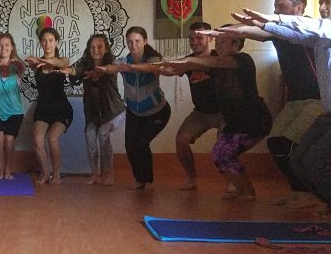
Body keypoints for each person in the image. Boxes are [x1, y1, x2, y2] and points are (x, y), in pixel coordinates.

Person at [232, 0, 331, 220]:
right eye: (321, 2)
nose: (321, 7)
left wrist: (273, 17)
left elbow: (311, 25)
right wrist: (260, 25)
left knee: (315, 159)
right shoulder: (320, 39)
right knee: (298, 158)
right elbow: (292, 34)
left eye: (328, 2)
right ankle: (329, 202)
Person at [209, 0, 322, 208]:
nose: (276, 11)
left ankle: (309, 194)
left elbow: (261, 30)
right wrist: (222, 32)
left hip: (317, 99)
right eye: (275, 6)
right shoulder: (278, 31)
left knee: (288, 144)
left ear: (299, 8)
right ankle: (298, 191)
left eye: (282, 7)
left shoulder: (310, 28)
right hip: (294, 100)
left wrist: (240, 30)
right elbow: (253, 31)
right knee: (276, 143)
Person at [164, 27, 272, 201]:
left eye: (223, 42)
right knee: (219, 153)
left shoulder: (242, 59)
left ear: (236, 44)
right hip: (234, 120)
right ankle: (239, 188)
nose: (219, 46)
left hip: (253, 120)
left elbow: (213, 62)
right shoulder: (218, 63)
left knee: (226, 153)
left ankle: (249, 191)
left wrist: (189, 61)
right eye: (218, 41)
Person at [98, 26, 170, 190]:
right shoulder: (124, 61)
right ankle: (139, 180)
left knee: (142, 143)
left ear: (145, 41)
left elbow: (155, 68)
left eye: (137, 41)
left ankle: (149, 181)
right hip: (134, 111)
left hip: (157, 112)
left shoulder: (153, 59)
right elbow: (113, 68)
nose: (133, 45)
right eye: (130, 42)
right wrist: (102, 70)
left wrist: (133, 68)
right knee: (130, 145)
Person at [64, 34, 126, 186]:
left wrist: (98, 72)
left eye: (99, 46)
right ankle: (95, 174)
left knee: (103, 133)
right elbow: (75, 70)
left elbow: (106, 71)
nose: (95, 50)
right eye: (92, 47)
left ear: (105, 49)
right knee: (90, 135)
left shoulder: (111, 64)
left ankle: (108, 174)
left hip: (114, 111)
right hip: (94, 113)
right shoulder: (85, 64)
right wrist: (66, 70)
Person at [169, 22, 224, 191]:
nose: (194, 42)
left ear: (210, 38)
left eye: (199, 37)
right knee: (181, 140)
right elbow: (170, 69)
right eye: (191, 38)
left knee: (223, 147)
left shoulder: (220, 58)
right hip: (200, 113)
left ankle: (232, 181)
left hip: (224, 113)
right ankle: (192, 179)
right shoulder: (188, 60)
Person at [25, 27, 71, 185]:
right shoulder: (36, 64)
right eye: (44, 40)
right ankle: (45, 173)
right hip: (43, 109)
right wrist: (34, 61)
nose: (47, 43)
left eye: (51, 40)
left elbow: (62, 62)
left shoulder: (62, 61)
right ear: (40, 43)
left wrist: (43, 61)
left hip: (61, 109)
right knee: (38, 140)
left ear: (57, 42)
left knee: (52, 139)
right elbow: (28, 60)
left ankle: (56, 173)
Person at [0, 32, 26, 180]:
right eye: (0, 45)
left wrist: (16, 63)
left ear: (12, 47)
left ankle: (8, 170)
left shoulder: (17, 67)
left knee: (9, 140)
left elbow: (22, 67)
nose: (4, 48)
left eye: (7, 45)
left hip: (15, 111)